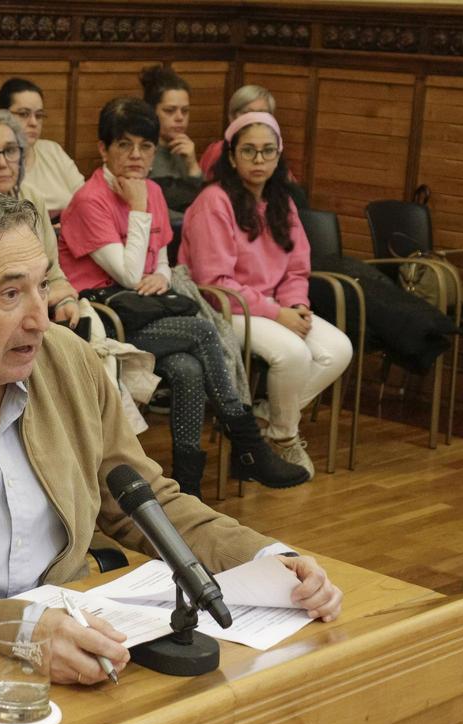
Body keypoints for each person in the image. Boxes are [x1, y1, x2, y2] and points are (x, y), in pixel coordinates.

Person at [0, 182, 342, 684]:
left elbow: (145, 499)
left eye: (42, 286)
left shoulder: (70, 363)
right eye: (10, 295)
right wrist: (15, 628)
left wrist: (266, 556)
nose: (40, 319)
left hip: (64, 649)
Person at [58, 97, 308, 495]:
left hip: (147, 310)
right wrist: (138, 210)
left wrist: (159, 275)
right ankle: (248, 444)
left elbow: (157, 258)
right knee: (205, 332)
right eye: (125, 145)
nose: (137, 156)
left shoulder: (152, 190)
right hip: (105, 318)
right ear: (103, 149)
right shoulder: (91, 199)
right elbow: (123, 271)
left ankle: (188, 487)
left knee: (189, 370)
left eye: (145, 147)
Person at [183, 112, 352, 479]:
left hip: (274, 306)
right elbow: (215, 283)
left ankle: (265, 420)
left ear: (279, 155)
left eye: (267, 152)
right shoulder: (214, 201)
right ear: (231, 156)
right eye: (249, 152)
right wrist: (278, 314)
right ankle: (285, 437)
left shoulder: (282, 201)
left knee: (338, 349)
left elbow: (296, 267)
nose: (259, 161)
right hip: (226, 309)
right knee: (292, 353)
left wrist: (297, 305)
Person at [0, 110, 79, 327]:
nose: (2, 163)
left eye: (10, 150)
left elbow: (52, 271)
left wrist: (64, 300)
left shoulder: (32, 199)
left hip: (39, 314)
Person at [0, 77, 84, 214]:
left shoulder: (52, 150)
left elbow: (85, 198)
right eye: (24, 114)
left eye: (39, 115)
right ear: (0, 115)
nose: (34, 122)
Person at [139, 66, 202, 217]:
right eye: (170, 111)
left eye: (185, 111)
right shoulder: (141, 152)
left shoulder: (185, 148)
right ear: (151, 112)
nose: (180, 117)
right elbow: (155, 213)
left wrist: (193, 166)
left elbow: (206, 201)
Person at [199, 84, 276, 181]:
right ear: (232, 117)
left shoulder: (274, 151)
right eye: (247, 113)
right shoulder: (217, 151)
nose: (254, 120)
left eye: (262, 114)